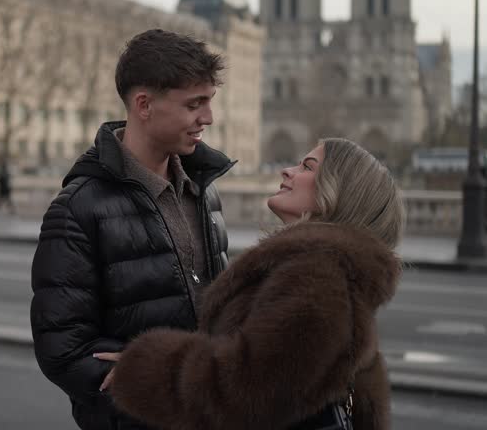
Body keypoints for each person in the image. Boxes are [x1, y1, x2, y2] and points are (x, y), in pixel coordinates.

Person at [95, 138, 404, 430]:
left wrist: (146, 368)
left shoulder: (317, 274)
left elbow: (244, 391)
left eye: (307, 167)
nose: (288, 170)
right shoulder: (332, 270)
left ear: (338, 192)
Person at [30, 29, 234, 430]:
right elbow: (62, 348)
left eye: (209, 103)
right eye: (195, 104)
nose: (208, 118)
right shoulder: (78, 208)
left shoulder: (204, 192)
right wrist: (147, 384)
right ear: (144, 105)